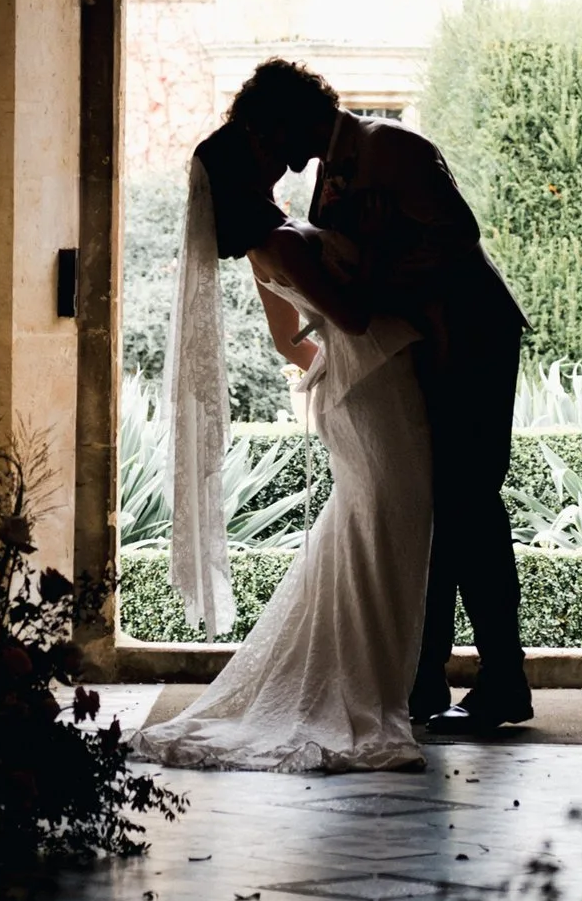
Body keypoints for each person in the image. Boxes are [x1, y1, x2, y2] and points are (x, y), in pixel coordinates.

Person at [143, 65, 433, 772]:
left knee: (368, 534)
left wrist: (330, 354)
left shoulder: (261, 243)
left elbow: (288, 340)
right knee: (393, 530)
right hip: (375, 390)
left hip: (354, 389)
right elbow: (353, 314)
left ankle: (375, 680)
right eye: (262, 152)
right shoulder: (284, 242)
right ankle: (374, 690)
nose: (275, 159)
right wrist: (373, 266)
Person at [308, 96, 533, 732]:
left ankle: (503, 682)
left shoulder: (393, 147)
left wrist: (381, 271)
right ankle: (423, 677)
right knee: (431, 507)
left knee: (469, 504)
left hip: (469, 339)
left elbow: (461, 236)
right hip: (423, 348)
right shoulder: (335, 163)